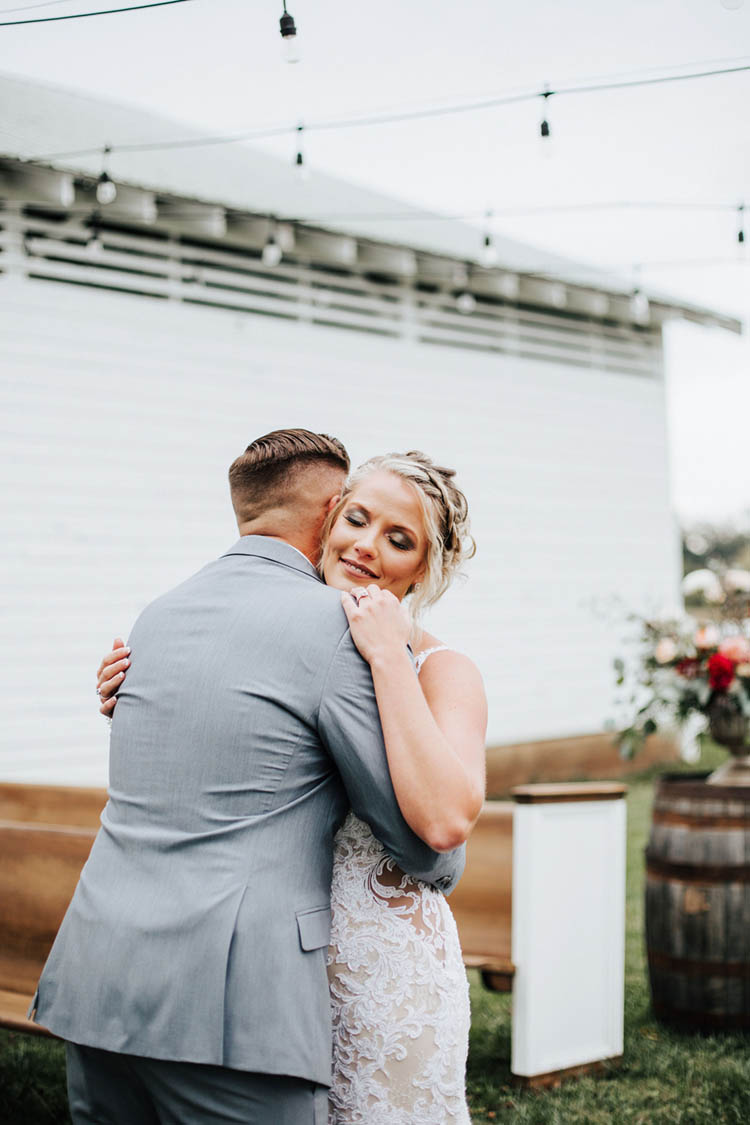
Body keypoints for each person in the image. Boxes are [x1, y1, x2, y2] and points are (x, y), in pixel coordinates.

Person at [30, 429, 468, 1125]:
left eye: (396, 536)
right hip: (232, 1006)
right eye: (355, 516)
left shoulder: (158, 614)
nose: (364, 544)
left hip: (99, 973)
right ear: (330, 513)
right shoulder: (335, 629)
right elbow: (426, 849)